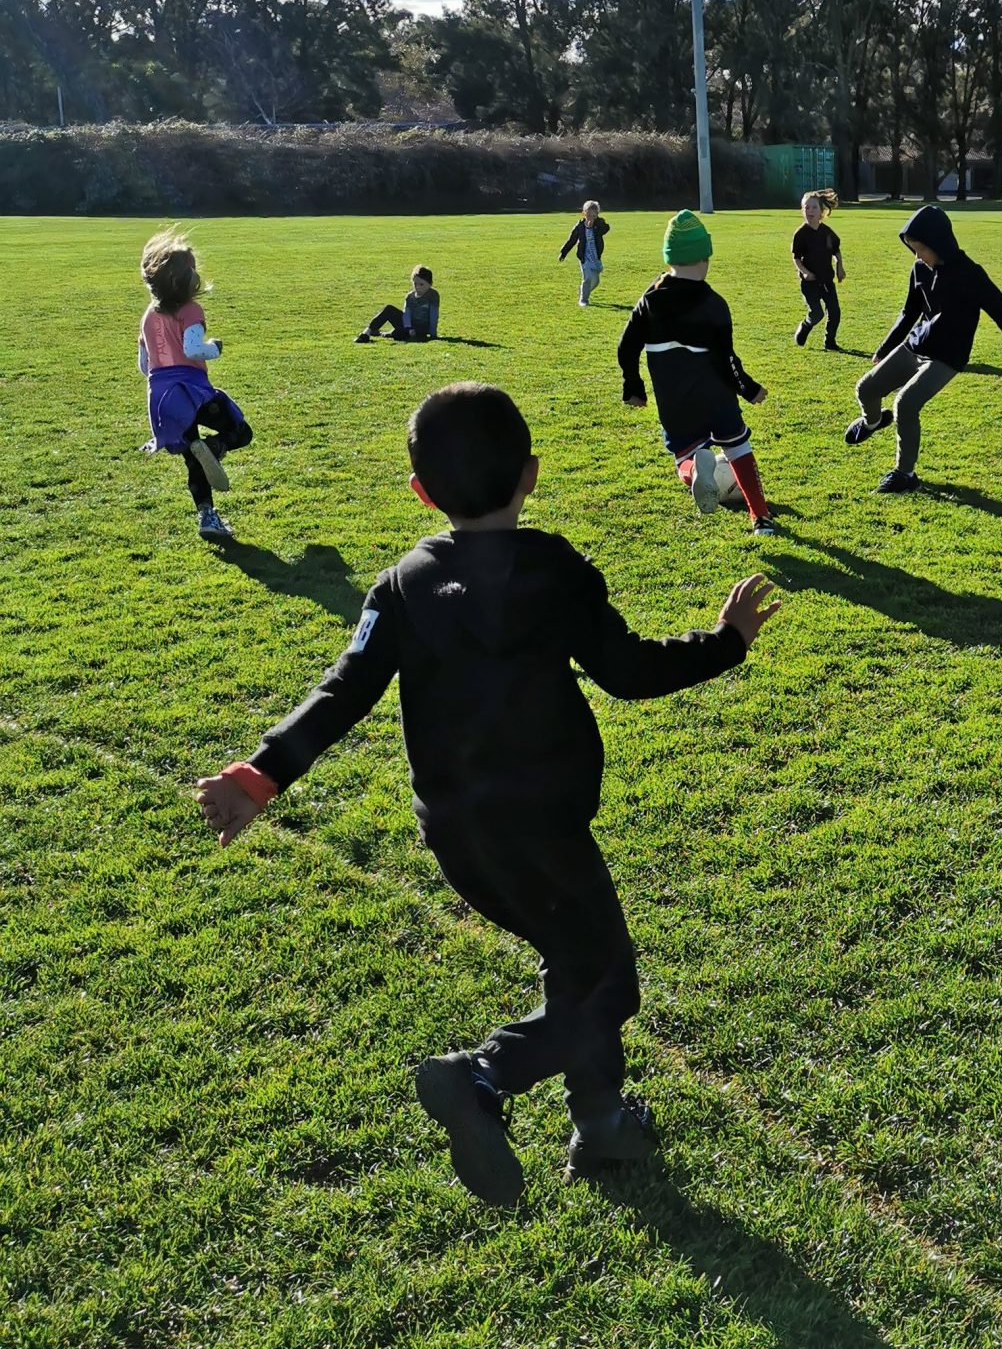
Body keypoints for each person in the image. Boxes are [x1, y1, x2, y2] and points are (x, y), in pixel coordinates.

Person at [194, 383, 778, 1205]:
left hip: (459, 836)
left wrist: (261, 775)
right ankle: (485, 1077)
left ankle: (604, 1125)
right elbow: (630, 672)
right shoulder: (557, 568)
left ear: (422, 493)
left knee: (573, 961)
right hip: (543, 828)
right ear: (531, 474)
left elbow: (342, 691)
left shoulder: (402, 585)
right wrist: (726, 643)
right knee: (610, 983)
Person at [845, 204, 1002, 495]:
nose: (917, 256)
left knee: (905, 404)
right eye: (913, 249)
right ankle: (872, 421)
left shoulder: (970, 274)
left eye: (920, 249)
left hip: (947, 357)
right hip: (915, 345)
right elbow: (909, 312)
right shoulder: (920, 269)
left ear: (938, 243)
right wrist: (884, 349)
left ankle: (905, 475)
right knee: (865, 388)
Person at [618, 209, 777, 536]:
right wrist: (748, 389)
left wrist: (633, 386)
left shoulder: (650, 300)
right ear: (705, 258)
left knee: (684, 456)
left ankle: (694, 474)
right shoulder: (713, 304)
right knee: (737, 448)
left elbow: (626, 346)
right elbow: (727, 359)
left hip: (675, 399)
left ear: (669, 258)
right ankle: (759, 516)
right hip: (715, 394)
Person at [137, 229, 254, 543]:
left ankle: (207, 517)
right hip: (190, 391)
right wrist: (214, 347)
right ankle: (215, 448)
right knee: (240, 432)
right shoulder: (190, 310)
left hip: (160, 398)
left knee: (192, 455)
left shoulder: (148, 316)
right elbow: (192, 349)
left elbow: (144, 365)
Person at [791, 187, 846, 350]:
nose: (810, 210)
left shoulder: (827, 233)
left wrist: (839, 267)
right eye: (806, 207)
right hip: (810, 283)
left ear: (822, 211)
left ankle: (830, 342)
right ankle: (805, 325)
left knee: (835, 312)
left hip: (826, 280)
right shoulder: (801, 234)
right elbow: (796, 258)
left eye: (814, 207)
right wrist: (805, 272)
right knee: (817, 314)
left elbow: (836, 251)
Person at [357, 267, 440, 343]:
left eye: (421, 284)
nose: (417, 287)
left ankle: (392, 333)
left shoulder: (433, 295)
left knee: (398, 334)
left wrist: (433, 335)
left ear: (430, 284)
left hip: (420, 329)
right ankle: (366, 333)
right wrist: (408, 328)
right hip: (409, 327)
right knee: (389, 309)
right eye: (415, 284)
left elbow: (433, 315)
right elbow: (406, 314)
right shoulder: (410, 296)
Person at [558, 202, 611, 306]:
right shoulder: (580, 226)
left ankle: (583, 290)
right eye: (589, 215)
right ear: (584, 214)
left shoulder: (599, 224)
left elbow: (606, 229)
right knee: (587, 278)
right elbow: (572, 240)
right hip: (584, 257)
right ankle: (583, 300)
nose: (591, 218)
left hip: (595, 257)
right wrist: (563, 253)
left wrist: (597, 224)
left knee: (595, 282)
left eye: (594, 216)